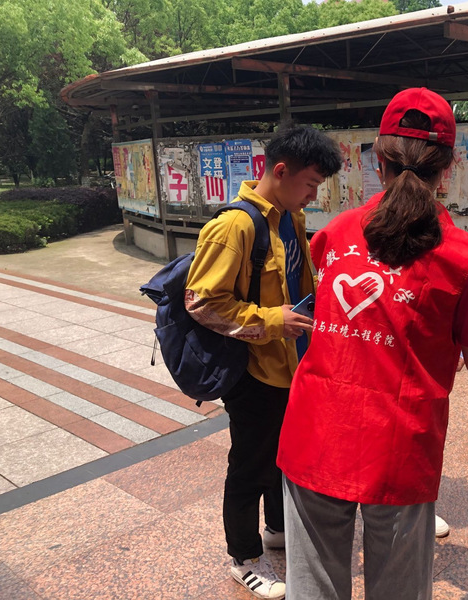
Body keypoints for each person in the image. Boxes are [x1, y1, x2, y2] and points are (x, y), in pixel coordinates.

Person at [276, 88, 468, 600]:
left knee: (312, 586)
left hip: (316, 430)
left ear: (377, 163)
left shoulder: (336, 232)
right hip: (400, 444)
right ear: (446, 169)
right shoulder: (460, 254)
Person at [185, 125, 342, 600]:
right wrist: (273, 320)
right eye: (310, 184)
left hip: (292, 366)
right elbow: (201, 303)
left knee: (284, 455)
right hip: (254, 371)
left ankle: (276, 528)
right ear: (281, 170)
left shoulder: (290, 218)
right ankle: (244, 558)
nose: (313, 195)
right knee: (249, 465)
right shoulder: (233, 226)